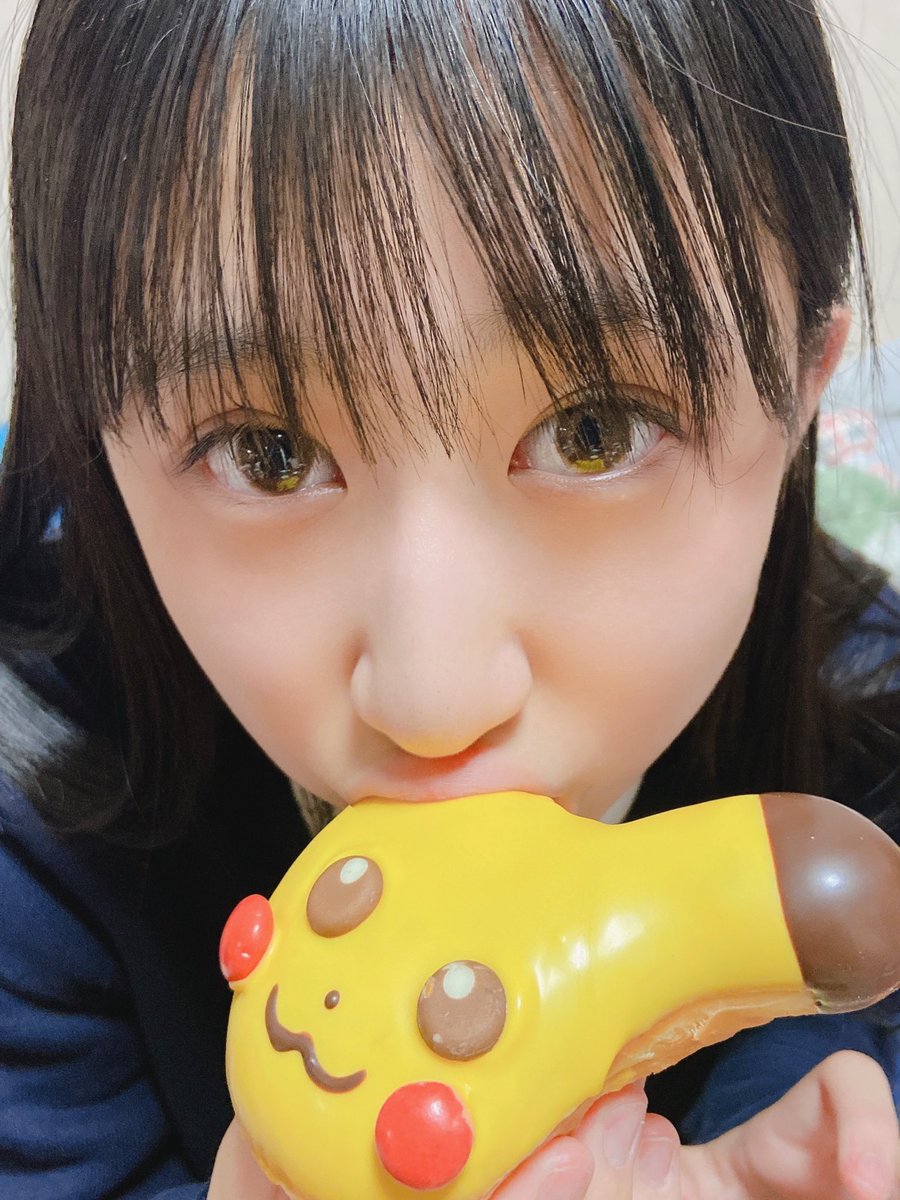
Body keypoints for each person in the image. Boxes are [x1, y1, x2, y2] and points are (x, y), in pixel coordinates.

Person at [0, 0, 898, 1197]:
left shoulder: (871, 761)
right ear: (93, 439)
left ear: (801, 389)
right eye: (267, 452)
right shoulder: (35, 823)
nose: (433, 700)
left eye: (592, 429)